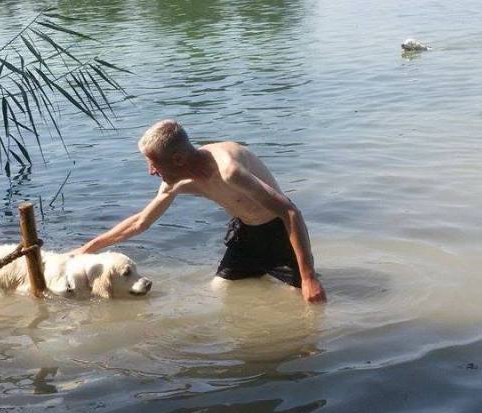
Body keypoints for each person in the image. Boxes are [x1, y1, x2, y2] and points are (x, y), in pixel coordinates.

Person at [70, 119, 326, 303]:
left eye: (153, 164)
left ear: (178, 159)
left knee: (309, 303)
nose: (150, 172)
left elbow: (290, 212)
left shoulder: (229, 171)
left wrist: (309, 278)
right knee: (220, 291)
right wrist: (87, 249)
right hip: (245, 233)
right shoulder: (177, 180)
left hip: (279, 234)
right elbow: (140, 222)